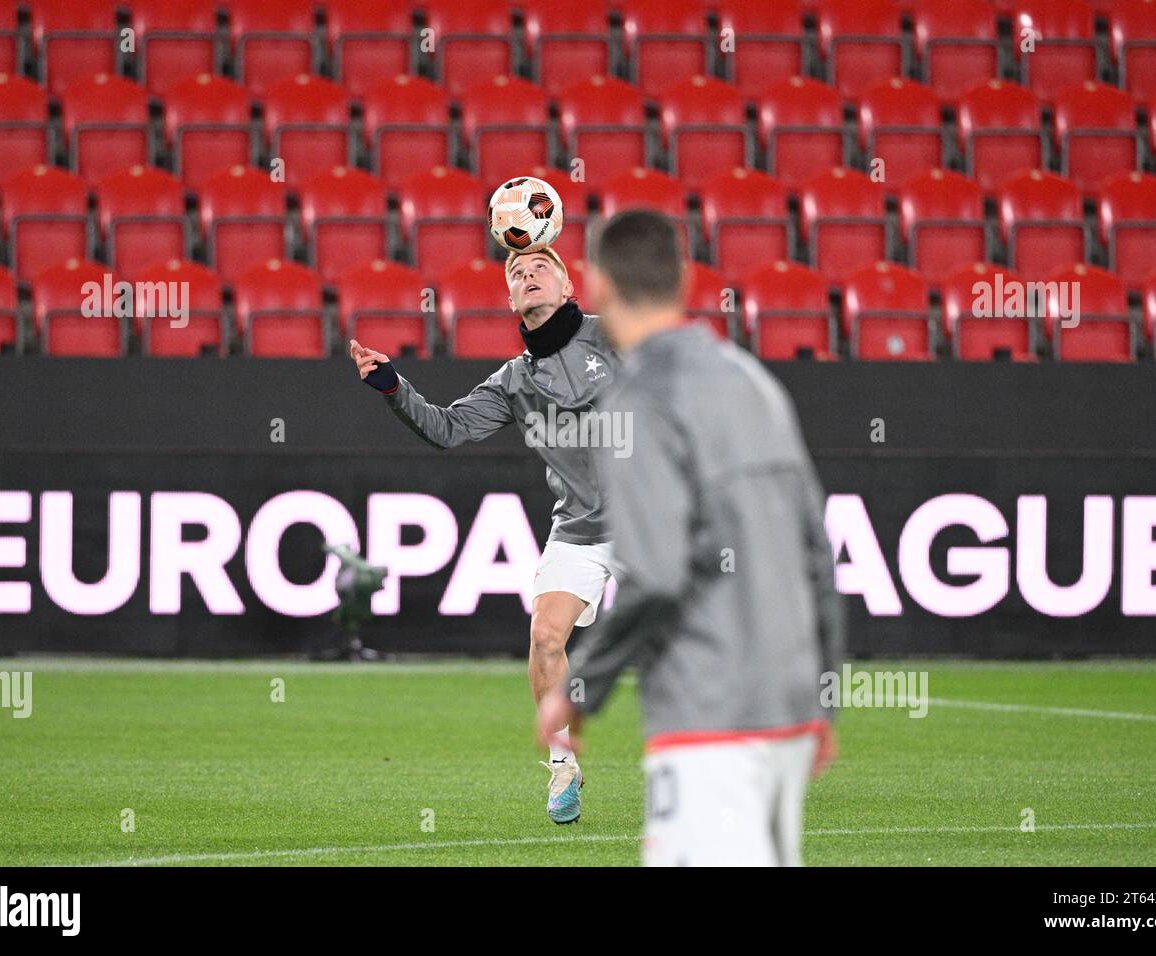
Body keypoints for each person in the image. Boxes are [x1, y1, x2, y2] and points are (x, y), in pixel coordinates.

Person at [536, 210, 845, 865]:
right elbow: (818, 554)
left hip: (708, 710)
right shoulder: (753, 381)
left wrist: (581, 689)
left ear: (596, 286)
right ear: (682, 280)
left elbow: (656, 573)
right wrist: (823, 696)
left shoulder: (639, 397)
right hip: (786, 706)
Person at [350, 246, 618, 824]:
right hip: (581, 529)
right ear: (511, 300)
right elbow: (448, 429)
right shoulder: (515, 381)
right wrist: (395, 388)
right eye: (517, 273)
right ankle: (562, 763)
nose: (527, 275)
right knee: (546, 638)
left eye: (540, 267)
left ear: (569, 286)